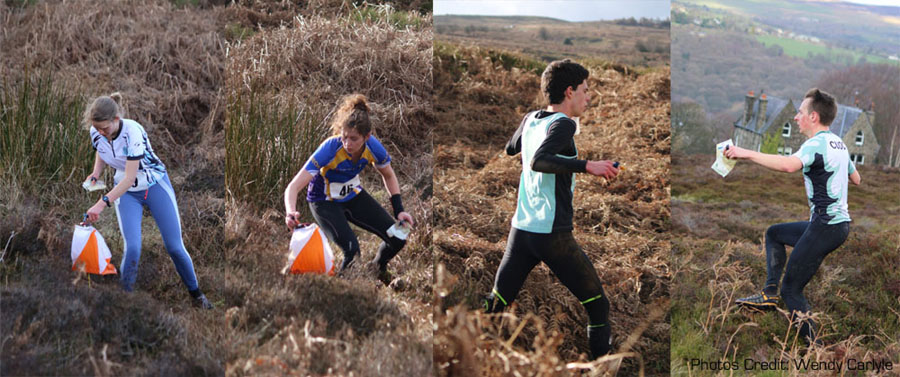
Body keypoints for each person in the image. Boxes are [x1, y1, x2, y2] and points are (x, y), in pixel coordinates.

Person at [483, 59, 620, 359]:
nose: (589, 97)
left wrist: (534, 140)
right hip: (552, 236)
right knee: (598, 305)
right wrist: (588, 166)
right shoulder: (564, 124)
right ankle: (600, 367)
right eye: (585, 90)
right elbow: (539, 161)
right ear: (569, 92)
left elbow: (511, 148)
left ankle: (473, 359)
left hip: (521, 232)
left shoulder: (532, 118)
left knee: (497, 304)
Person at [726, 88, 860, 345]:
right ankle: (768, 294)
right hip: (836, 225)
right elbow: (857, 179)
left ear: (814, 117)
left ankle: (816, 350)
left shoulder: (814, 144)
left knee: (792, 290)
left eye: (800, 112)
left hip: (825, 226)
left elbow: (788, 165)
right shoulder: (839, 144)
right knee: (774, 233)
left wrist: (746, 153)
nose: (796, 117)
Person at [83, 93, 212, 309]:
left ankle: (197, 295)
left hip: (154, 185)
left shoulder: (132, 132)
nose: (101, 133)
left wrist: (102, 202)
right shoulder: (97, 132)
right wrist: (96, 173)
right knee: (132, 247)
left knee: (174, 247)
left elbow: (129, 178)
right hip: (127, 194)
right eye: (97, 129)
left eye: (104, 128)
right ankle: (125, 303)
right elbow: (102, 151)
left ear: (116, 119)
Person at [284, 94, 414, 281]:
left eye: (354, 139)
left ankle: (377, 269)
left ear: (367, 136)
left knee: (400, 236)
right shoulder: (330, 148)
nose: (347, 144)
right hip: (324, 201)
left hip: (352, 196)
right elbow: (293, 186)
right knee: (352, 250)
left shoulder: (373, 148)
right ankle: (343, 293)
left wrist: (399, 210)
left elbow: (389, 175)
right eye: (344, 137)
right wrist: (290, 213)